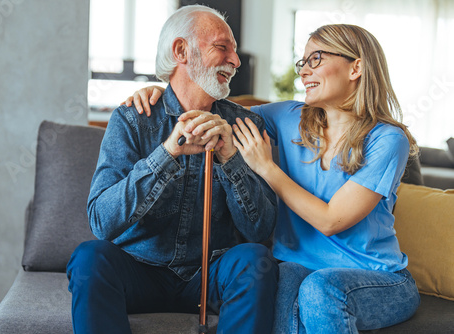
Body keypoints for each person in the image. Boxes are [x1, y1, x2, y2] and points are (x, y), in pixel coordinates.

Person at [126, 24, 421, 333]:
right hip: (298, 267)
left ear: (356, 67)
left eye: (316, 59)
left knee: (320, 289)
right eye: (302, 63)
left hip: (376, 278)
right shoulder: (289, 118)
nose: (304, 71)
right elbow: (208, 106)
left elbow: (332, 221)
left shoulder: (387, 139)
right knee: (279, 284)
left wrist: (266, 167)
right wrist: (166, 92)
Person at [66, 5, 279, 334]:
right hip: (139, 272)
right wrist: (168, 152)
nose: (236, 61)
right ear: (181, 50)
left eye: (235, 51)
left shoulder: (246, 124)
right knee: (89, 257)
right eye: (223, 47)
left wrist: (230, 158)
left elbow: (260, 229)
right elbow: (101, 222)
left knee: (254, 259)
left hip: (208, 277)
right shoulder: (133, 119)